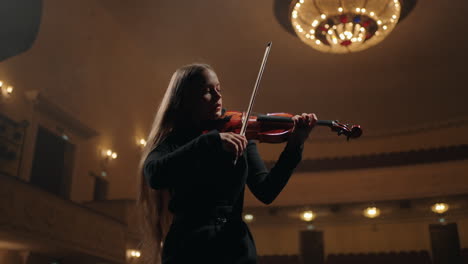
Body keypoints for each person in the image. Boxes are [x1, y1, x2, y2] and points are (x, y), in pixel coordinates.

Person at [137, 63, 317, 264]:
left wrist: (294, 145)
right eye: (207, 91)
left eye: (218, 90)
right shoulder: (175, 141)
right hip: (187, 248)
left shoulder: (238, 133)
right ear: (186, 99)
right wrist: (211, 141)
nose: (217, 97)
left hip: (234, 248)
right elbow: (154, 174)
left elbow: (267, 191)